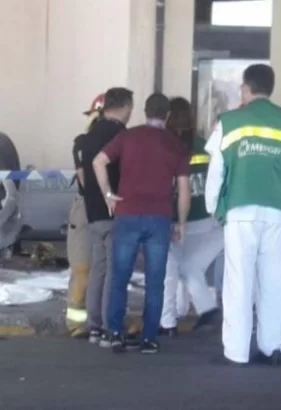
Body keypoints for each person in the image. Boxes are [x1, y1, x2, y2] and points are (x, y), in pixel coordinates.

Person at [204, 64, 281, 366]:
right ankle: (272, 347)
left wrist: (213, 207)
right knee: (274, 281)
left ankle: (236, 352)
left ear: (246, 88)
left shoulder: (229, 122)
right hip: (273, 211)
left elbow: (216, 170)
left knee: (239, 281)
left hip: (239, 211)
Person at [92, 92, 191, 354]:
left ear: (144, 112)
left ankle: (115, 333)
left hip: (127, 214)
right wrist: (180, 222)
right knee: (155, 280)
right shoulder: (175, 145)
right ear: (167, 116)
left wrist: (108, 195)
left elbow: (98, 161)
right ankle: (149, 338)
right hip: (159, 218)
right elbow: (183, 189)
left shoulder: (128, 136)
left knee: (120, 277)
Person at [159, 97, 222, 336]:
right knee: (188, 267)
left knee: (170, 268)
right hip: (207, 220)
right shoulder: (205, 146)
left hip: (177, 220)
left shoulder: (167, 146)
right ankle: (198, 310)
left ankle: (170, 318)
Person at [79, 87, 133, 347]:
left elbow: (82, 177)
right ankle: (112, 326)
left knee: (98, 268)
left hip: (92, 212)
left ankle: (94, 326)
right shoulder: (122, 136)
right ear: (124, 107)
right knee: (115, 269)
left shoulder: (87, 137)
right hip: (116, 210)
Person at [66, 93, 105, 338]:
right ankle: (76, 322)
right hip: (86, 208)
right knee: (82, 267)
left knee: (103, 268)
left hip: (103, 208)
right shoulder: (82, 143)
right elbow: (84, 179)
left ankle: (98, 319)